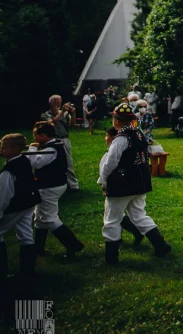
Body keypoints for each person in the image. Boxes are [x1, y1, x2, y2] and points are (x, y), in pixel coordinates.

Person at [98, 102, 171, 264]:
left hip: (122, 183)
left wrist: (103, 179)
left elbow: (111, 162)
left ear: (116, 120)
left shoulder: (121, 138)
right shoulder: (138, 134)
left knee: (112, 219)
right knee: (139, 215)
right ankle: (161, 245)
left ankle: (111, 258)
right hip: (139, 180)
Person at [29, 121, 84, 258]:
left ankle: (73, 244)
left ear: (44, 135)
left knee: (50, 218)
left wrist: (32, 149)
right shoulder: (55, 145)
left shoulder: (51, 149)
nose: (34, 138)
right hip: (53, 184)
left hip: (50, 187)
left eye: (36, 135)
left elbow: (35, 162)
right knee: (40, 219)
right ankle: (38, 248)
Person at [0, 133, 41, 277]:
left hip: (15, 206)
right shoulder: (24, 160)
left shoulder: (9, 171)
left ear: (16, 148)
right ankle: (28, 271)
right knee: (26, 235)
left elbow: (4, 196)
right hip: (28, 202)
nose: (1, 150)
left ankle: (2, 272)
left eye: (4, 148)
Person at [42, 94, 80, 190]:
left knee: (68, 161)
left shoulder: (64, 114)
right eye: (56, 102)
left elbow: (72, 124)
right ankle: (57, 183)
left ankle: (73, 185)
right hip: (53, 140)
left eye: (59, 102)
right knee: (52, 161)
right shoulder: (45, 115)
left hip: (64, 139)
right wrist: (63, 111)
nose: (58, 104)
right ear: (50, 103)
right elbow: (52, 123)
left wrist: (73, 113)